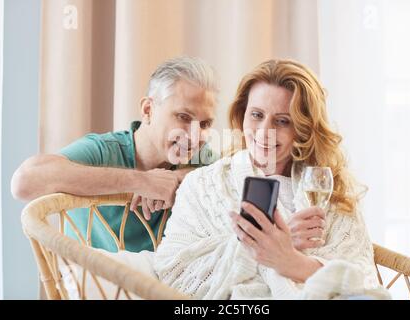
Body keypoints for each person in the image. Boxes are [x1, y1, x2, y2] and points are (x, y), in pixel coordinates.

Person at [153, 59, 389, 299]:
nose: (264, 131)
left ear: (304, 129)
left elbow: (364, 280)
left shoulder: (328, 188)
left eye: (282, 121)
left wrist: (290, 261)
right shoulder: (203, 185)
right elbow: (173, 273)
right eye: (256, 115)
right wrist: (255, 245)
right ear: (242, 114)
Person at [11, 56, 219, 252]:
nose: (195, 136)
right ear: (148, 110)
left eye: (205, 124)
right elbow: (23, 183)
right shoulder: (102, 150)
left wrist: (181, 178)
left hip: (167, 287)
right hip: (96, 285)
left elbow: (236, 177)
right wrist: (142, 181)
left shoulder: (201, 158)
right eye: (183, 117)